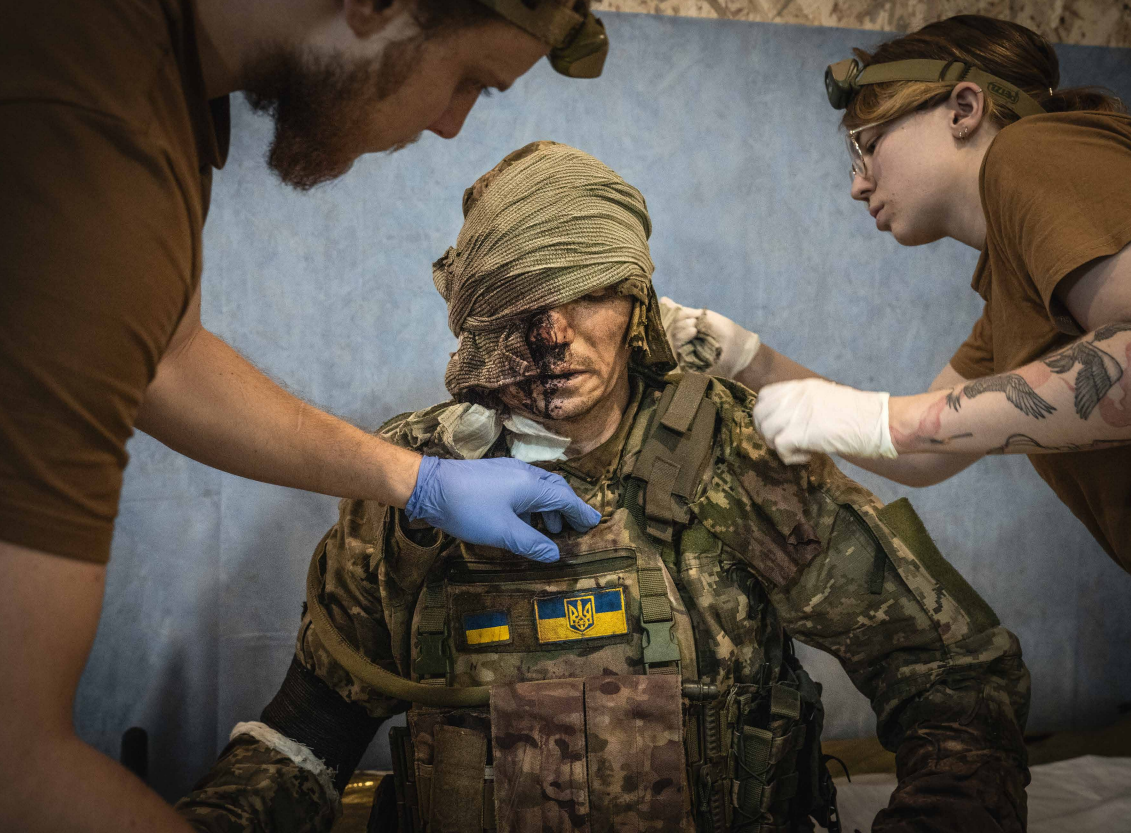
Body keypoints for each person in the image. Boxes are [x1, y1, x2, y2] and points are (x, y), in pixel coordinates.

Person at [175, 142, 1030, 833]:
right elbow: (309, 731)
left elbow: (947, 672)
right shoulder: (410, 482)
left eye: (587, 294)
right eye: (520, 302)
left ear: (634, 301)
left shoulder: (734, 453)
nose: (553, 335)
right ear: (476, 314)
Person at [0, 1, 610, 830]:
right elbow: (17, 763)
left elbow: (169, 354)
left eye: (593, 292)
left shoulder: (165, 97)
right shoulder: (87, 125)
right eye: (468, 78)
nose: (450, 125)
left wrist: (417, 480)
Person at [660, 14, 1131, 568]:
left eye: (869, 145)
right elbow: (923, 457)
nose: (859, 185)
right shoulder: (1007, 291)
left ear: (963, 109)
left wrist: (888, 421)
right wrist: (744, 357)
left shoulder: (1031, 149)